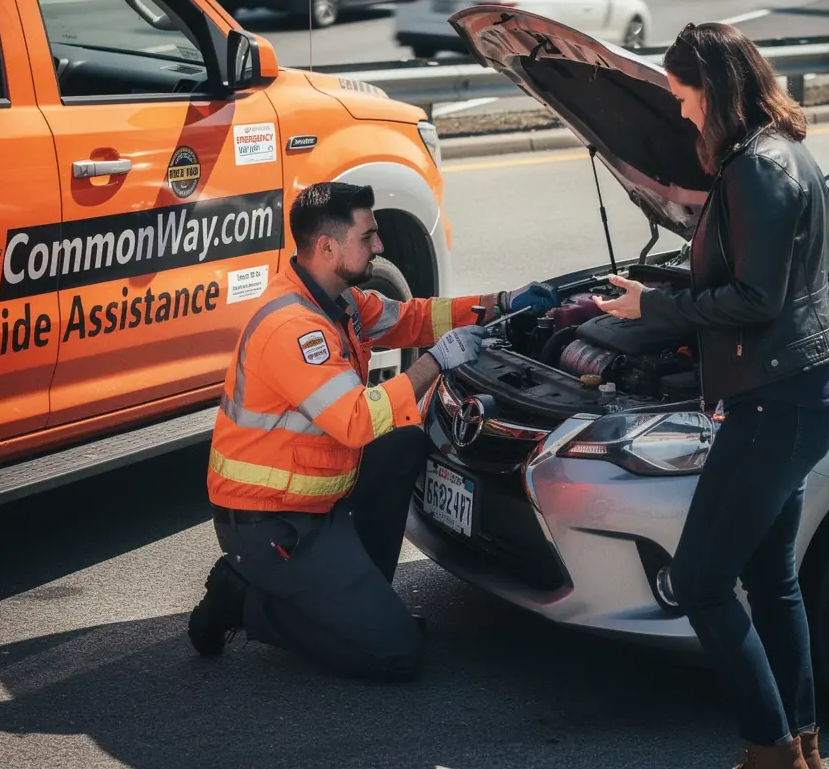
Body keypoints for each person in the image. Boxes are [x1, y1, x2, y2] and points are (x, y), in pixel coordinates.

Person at [596, 22, 829, 769]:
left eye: (684, 96)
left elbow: (757, 299)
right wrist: (665, 294)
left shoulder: (756, 168)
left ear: (717, 88)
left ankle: (770, 753)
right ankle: (800, 747)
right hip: (797, 391)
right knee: (770, 577)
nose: (681, 113)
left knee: (702, 583)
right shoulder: (778, 153)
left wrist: (654, 312)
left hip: (780, 401)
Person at [188, 181, 559, 681]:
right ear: (328, 248)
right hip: (272, 525)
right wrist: (436, 362)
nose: (380, 246)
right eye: (369, 237)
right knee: (396, 655)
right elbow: (357, 421)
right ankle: (246, 600)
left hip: (317, 500)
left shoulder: (337, 302)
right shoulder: (295, 328)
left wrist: (502, 302)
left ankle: (359, 602)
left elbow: (415, 318)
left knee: (403, 442)